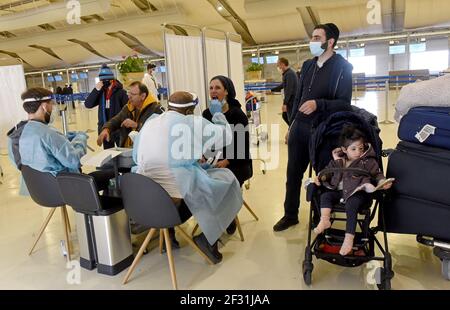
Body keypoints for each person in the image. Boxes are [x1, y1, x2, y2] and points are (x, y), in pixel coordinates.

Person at [133, 91, 242, 263]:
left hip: (148, 196)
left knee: (196, 179)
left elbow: (137, 155)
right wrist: (218, 114)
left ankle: (169, 234)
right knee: (226, 180)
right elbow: (225, 137)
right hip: (176, 199)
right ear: (190, 111)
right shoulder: (191, 122)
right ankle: (208, 239)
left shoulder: (151, 122)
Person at [274, 23, 354, 232]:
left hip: (323, 130)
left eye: (317, 37)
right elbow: (299, 96)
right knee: (293, 173)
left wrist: (320, 104)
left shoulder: (343, 67)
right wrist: (291, 124)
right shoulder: (308, 65)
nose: (312, 41)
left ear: (330, 42)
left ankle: (321, 215)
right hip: (300, 127)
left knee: (322, 175)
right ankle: (290, 214)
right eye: (312, 37)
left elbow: (345, 102)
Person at [7, 87, 114, 192]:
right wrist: (80, 138)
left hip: (39, 189)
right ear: (44, 106)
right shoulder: (48, 133)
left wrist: (64, 139)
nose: (53, 108)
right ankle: (95, 206)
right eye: (51, 104)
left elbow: (34, 159)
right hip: (62, 187)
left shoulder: (16, 135)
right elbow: (75, 161)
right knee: (112, 174)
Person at [313, 125, 392, 255]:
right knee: (325, 196)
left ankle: (349, 238)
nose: (358, 152)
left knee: (352, 204)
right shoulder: (338, 161)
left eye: (360, 148)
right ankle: (325, 220)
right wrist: (321, 176)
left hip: (358, 193)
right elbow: (327, 173)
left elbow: (377, 174)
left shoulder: (367, 162)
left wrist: (382, 182)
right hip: (339, 191)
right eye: (353, 149)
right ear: (344, 149)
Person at [202, 75, 252, 234]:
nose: (213, 91)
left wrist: (227, 161)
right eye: (211, 88)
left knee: (220, 183)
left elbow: (242, 146)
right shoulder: (207, 114)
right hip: (214, 160)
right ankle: (212, 218)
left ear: (227, 92)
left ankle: (227, 216)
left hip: (238, 163)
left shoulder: (237, 114)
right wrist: (204, 156)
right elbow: (206, 141)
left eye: (217, 88)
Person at [97, 81, 163, 148]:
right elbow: (115, 120)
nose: (129, 97)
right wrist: (106, 129)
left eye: (133, 94)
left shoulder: (156, 109)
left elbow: (159, 133)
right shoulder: (128, 107)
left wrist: (136, 125)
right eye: (129, 93)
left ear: (143, 96)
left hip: (146, 151)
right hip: (126, 151)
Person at [85, 64, 128, 149]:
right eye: (101, 81)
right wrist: (96, 90)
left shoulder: (121, 92)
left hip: (118, 128)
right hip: (104, 128)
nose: (103, 83)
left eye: (105, 81)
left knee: (122, 151)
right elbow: (88, 104)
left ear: (112, 80)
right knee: (108, 154)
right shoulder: (101, 92)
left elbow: (127, 109)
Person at [270, 57, 298, 126]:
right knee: (286, 116)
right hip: (291, 101)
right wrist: (272, 90)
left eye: (278, 65)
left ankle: (292, 132)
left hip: (292, 101)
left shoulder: (289, 74)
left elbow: (289, 90)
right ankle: (291, 131)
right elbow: (283, 85)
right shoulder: (287, 73)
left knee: (290, 118)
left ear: (282, 64)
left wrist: (285, 103)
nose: (278, 67)